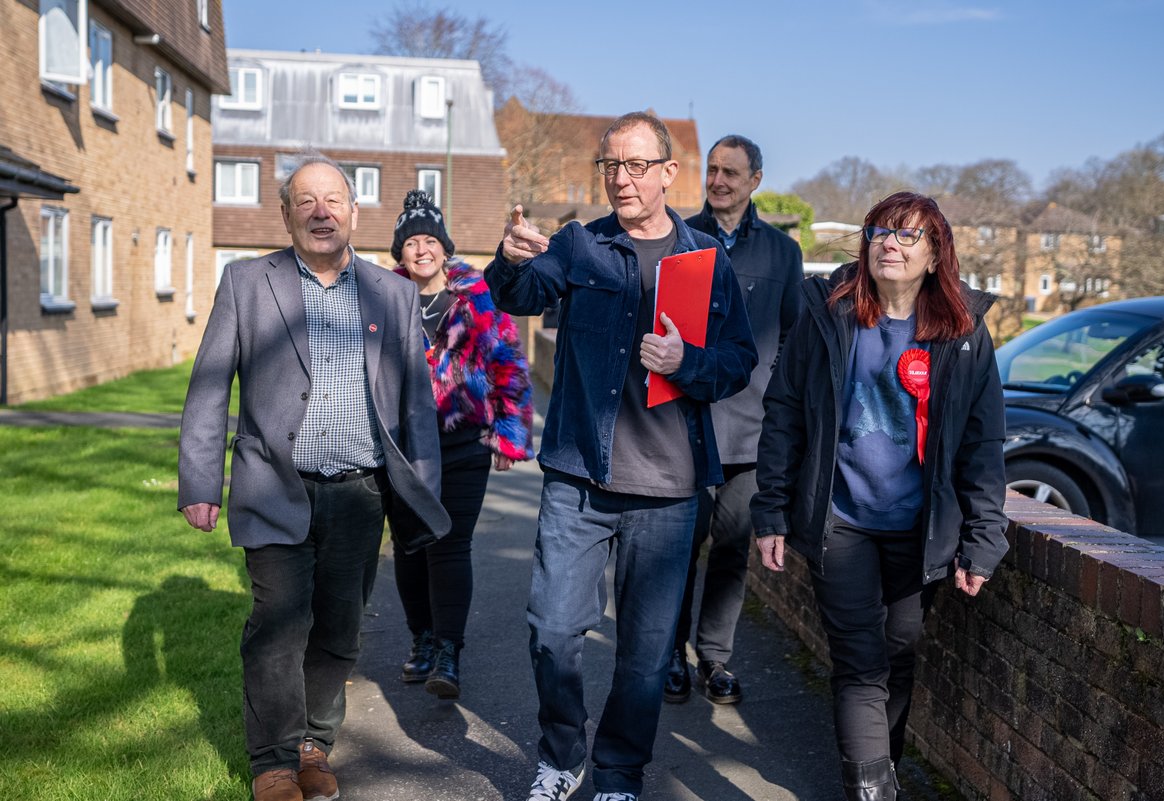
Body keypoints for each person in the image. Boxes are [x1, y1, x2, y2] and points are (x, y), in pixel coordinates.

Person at [485, 111, 757, 801]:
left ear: (669, 173)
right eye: (611, 165)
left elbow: (738, 360)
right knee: (552, 630)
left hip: (667, 489)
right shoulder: (579, 244)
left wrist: (685, 361)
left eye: (637, 165)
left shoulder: (704, 259)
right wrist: (510, 259)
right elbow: (519, 292)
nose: (622, 178)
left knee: (644, 654)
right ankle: (562, 752)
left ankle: (618, 772)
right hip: (579, 474)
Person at [178, 152, 449, 801]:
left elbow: (416, 403)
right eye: (306, 201)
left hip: (361, 490)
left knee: (339, 624)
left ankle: (312, 745)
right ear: (286, 213)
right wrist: (198, 481)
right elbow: (210, 386)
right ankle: (272, 761)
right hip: (274, 483)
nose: (321, 212)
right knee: (278, 620)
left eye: (333, 201)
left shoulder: (393, 292)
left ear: (354, 213)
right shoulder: (248, 282)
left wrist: (426, 485)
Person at [750, 191, 1009, 801]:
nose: (888, 243)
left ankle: (880, 770)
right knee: (861, 662)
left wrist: (983, 539)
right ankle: (871, 790)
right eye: (878, 231)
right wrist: (771, 510)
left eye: (906, 235)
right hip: (841, 520)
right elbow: (783, 413)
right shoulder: (829, 313)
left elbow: (983, 442)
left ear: (934, 252)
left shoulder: (964, 334)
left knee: (898, 653)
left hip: (920, 529)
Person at [667, 134, 804, 705]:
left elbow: (795, 340)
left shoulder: (782, 253)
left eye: (731, 173)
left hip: (751, 430)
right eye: (713, 171)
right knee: (676, 548)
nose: (718, 181)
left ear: (755, 182)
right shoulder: (679, 239)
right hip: (684, 425)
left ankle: (715, 659)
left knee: (731, 547)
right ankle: (668, 654)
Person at [387, 189, 535, 701]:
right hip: (405, 446)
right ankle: (422, 639)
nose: (421, 250)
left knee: (450, 544)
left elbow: (509, 364)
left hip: (464, 440)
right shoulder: (388, 298)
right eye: (411, 243)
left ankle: (449, 651)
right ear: (400, 253)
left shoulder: (477, 296)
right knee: (410, 544)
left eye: (430, 240)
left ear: (444, 248)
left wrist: (509, 434)